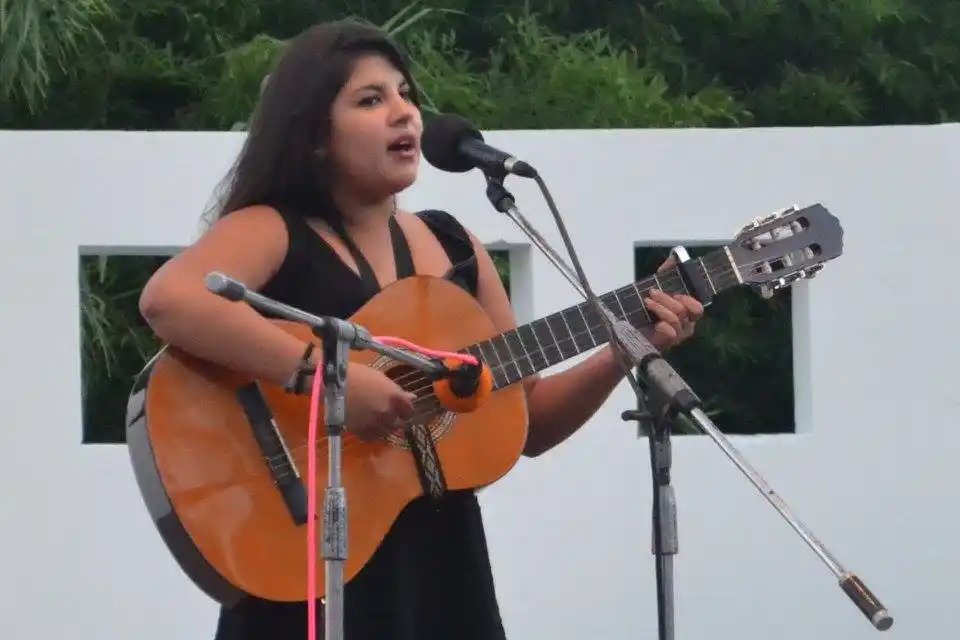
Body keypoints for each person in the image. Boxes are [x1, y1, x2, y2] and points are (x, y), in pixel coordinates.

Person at [138, 19, 705, 640]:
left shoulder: (454, 246)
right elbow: (170, 300)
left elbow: (532, 421)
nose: (404, 112)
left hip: (441, 569)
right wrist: (326, 379)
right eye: (370, 100)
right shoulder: (273, 229)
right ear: (314, 135)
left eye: (405, 94)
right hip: (308, 550)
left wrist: (624, 350)